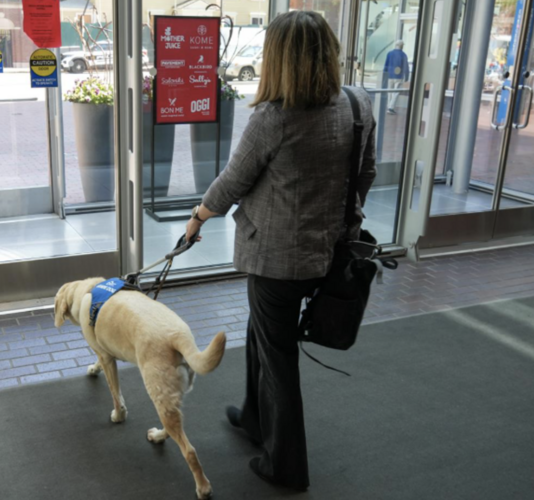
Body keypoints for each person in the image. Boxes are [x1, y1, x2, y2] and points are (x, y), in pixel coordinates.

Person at [184, 11, 376, 492]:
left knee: (279, 357)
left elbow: (234, 181)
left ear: (278, 60)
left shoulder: (274, 118)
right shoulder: (357, 105)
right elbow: (366, 174)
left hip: (275, 261)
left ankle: (286, 465)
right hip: (331, 254)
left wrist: (198, 217)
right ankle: (254, 418)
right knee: (264, 335)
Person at [384, 40, 409, 114]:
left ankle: (389, 106)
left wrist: (384, 74)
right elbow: (406, 67)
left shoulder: (389, 53)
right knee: (396, 92)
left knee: (389, 91)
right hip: (399, 76)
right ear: (401, 46)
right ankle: (391, 107)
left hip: (389, 75)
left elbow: (386, 64)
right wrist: (407, 76)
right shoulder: (403, 55)